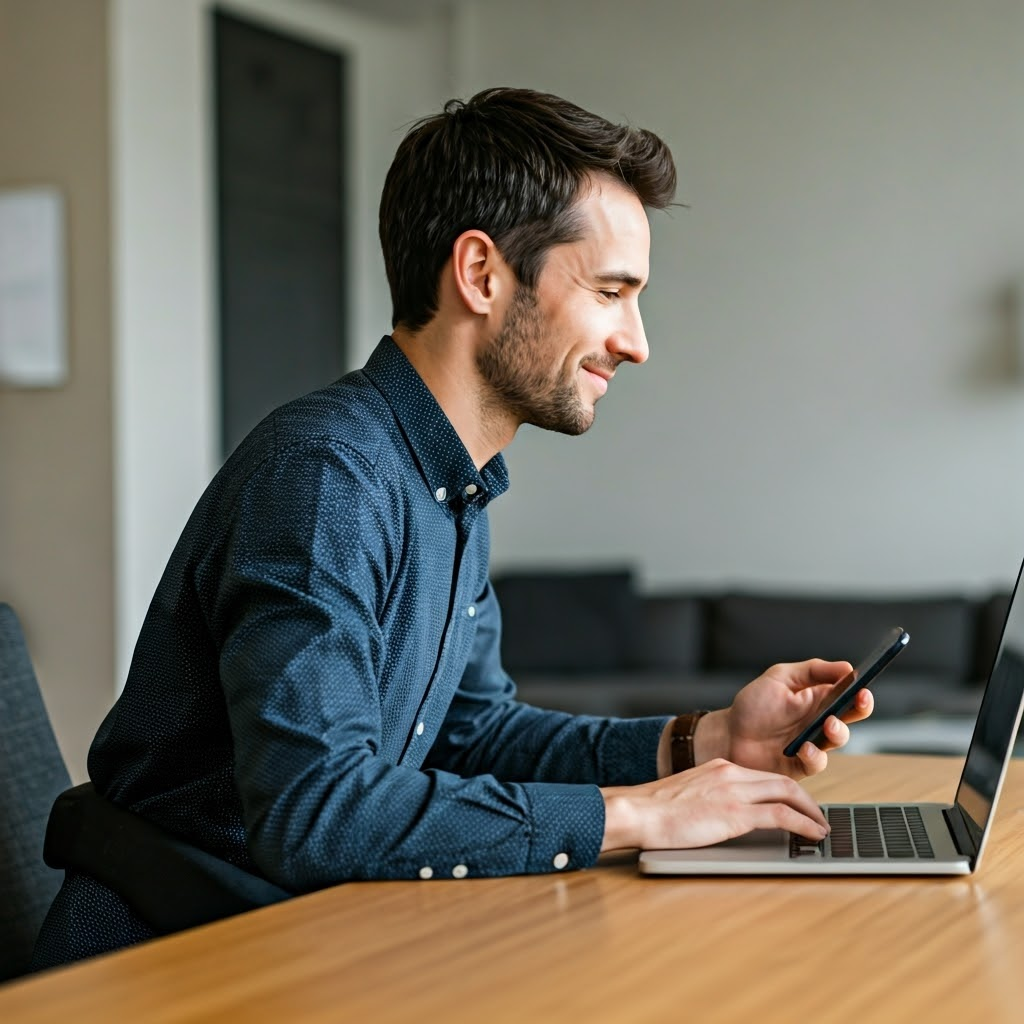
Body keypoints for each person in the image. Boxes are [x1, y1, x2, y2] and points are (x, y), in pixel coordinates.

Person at [33, 87, 871, 966]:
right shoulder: (326, 477)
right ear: (481, 275)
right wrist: (637, 816)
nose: (636, 341)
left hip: (305, 944)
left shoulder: (449, 487)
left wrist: (700, 744)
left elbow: (472, 734)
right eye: (611, 292)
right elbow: (314, 811)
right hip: (168, 968)